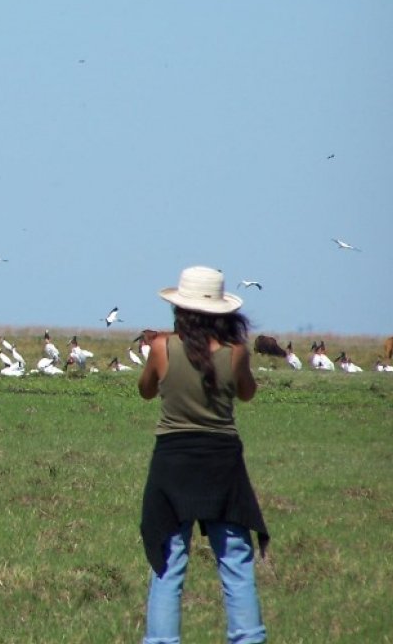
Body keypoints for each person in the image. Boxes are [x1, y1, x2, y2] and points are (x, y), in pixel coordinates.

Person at [137, 266, 269, 644]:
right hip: (221, 461)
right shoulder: (236, 352)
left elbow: (146, 390)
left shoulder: (162, 347)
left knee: (168, 560)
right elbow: (247, 393)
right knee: (235, 561)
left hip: (173, 461)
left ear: (180, 308)